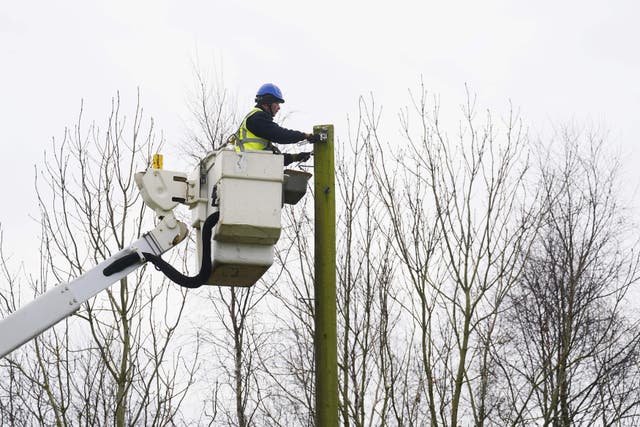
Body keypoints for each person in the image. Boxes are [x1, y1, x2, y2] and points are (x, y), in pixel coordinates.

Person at [235, 83, 318, 166]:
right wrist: (304, 136)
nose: (279, 107)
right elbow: (281, 135)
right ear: (267, 102)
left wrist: (295, 157)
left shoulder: (256, 120)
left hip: (251, 166)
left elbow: (272, 158)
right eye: (277, 103)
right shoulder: (257, 118)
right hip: (250, 166)